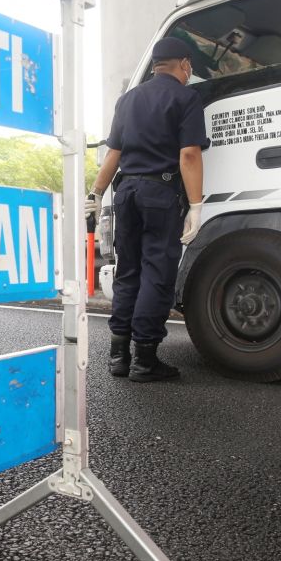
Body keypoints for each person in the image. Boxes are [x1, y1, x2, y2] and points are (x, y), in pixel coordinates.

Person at [86, 36, 209, 382]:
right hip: (160, 193)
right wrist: (196, 206)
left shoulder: (127, 100)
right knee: (157, 273)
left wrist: (95, 193)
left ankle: (118, 357)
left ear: (156, 65)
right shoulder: (186, 97)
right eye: (190, 68)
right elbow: (188, 155)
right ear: (184, 64)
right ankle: (144, 360)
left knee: (128, 272)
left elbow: (114, 153)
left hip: (125, 193)